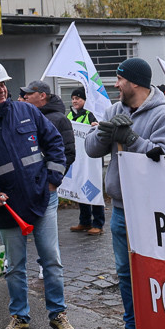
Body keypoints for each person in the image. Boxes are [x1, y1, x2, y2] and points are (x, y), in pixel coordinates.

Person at [0, 60, 77, 329]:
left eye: (3, 84)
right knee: (15, 266)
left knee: (51, 260)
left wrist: (53, 180)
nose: (1, 90)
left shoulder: (27, 110)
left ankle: (58, 315)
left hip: (43, 198)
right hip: (8, 208)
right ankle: (19, 317)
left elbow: (55, 143)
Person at [85, 58, 165, 329]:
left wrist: (132, 139)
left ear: (135, 83)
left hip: (152, 211)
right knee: (125, 272)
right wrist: (104, 133)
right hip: (123, 207)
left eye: (120, 79)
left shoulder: (164, 115)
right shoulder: (115, 110)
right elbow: (90, 149)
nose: (116, 84)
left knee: (156, 274)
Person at [66, 87, 105, 236]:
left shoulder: (91, 115)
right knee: (80, 187)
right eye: (73, 98)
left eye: (78, 98)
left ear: (85, 100)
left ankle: (98, 223)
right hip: (79, 160)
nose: (75, 101)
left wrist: (97, 126)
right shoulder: (70, 115)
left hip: (92, 160)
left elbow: (100, 133)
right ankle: (84, 221)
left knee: (93, 189)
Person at [20, 79, 76, 173]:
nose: (25, 96)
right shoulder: (27, 117)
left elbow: (68, 153)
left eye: (30, 93)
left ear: (42, 96)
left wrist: (52, 179)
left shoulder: (60, 120)